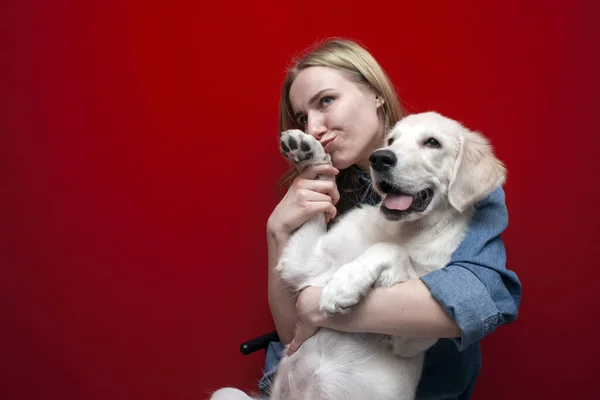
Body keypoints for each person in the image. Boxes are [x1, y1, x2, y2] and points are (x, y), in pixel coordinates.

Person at [262, 38, 522, 400]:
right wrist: (277, 233)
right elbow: (294, 334)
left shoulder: (454, 177)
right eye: (303, 118)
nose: (314, 128)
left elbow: (480, 298)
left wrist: (318, 305)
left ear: (374, 93)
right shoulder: (327, 189)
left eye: (326, 100)